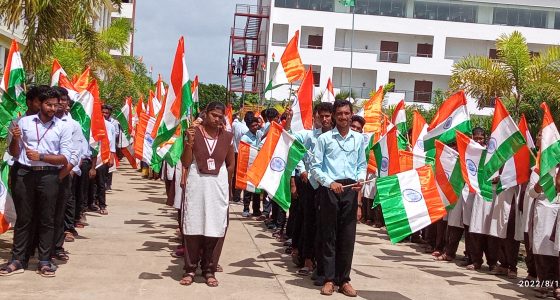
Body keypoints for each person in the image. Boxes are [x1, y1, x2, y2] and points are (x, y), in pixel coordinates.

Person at [1, 87, 72, 277]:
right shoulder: (23, 122)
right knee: (24, 219)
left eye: (55, 106)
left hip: (49, 176)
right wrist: (16, 139)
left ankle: (45, 261)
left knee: (47, 219)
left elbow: (65, 157)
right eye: (49, 105)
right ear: (40, 104)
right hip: (24, 174)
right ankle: (17, 260)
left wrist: (42, 156)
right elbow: (15, 153)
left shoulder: (62, 126)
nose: (52, 109)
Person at [311, 99, 366, 297]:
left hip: (350, 190)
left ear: (351, 115)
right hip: (330, 190)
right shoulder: (324, 139)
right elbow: (315, 167)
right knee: (329, 235)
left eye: (346, 113)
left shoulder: (359, 139)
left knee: (347, 236)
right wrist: (329, 182)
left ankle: (344, 280)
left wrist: (360, 179)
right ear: (334, 116)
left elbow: (362, 164)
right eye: (339, 113)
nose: (343, 117)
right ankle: (328, 279)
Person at [179, 101, 234, 287]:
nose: (217, 119)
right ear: (206, 114)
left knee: (214, 227)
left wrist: (227, 187)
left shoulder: (227, 136)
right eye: (214, 115)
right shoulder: (194, 132)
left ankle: (209, 269)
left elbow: (231, 164)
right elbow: (185, 162)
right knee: (193, 225)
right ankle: (190, 269)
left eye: (220, 117)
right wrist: (189, 142)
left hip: (217, 187)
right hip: (197, 184)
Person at [291, 102, 333, 282]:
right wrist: (302, 171)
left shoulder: (335, 137)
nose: (324, 119)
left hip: (329, 185)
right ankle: (307, 259)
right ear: (315, 116)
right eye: (321, 116)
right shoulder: (307, 135)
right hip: (310, 184)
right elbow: (296, 151)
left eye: (327, 116)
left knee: (325, 225)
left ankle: (323, 262)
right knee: (309, 221)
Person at [52, 87, 85, 259]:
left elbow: (76, 152)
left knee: (59, 211)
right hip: (42, 174)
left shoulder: (72, 125)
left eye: (64, 100)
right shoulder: (38, 122)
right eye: (57, 100)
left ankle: (57, 247)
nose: (60, 103)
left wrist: (65, 173)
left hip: (64, 174)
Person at [240, 113, 263, 217]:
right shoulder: (245, 138)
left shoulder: (259, 134)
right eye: (252, 126)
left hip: (258, 167)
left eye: (256, 125)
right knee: (248, 190)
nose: (255, 127)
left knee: (257, 190)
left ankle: (256, 210)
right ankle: (246, 208)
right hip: (248, 167)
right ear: (248, 127)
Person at [232, 112, 249, 203]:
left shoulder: (235, 125)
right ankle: (237, 196)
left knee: (236, 174)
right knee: (241, 175)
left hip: (235, 151)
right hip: (242, 154)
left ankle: (234, 195)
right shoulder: (245, 129)